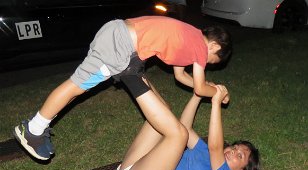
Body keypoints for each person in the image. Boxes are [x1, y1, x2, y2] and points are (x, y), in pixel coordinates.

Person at [13, 15, 232, 160]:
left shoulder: (189, 36)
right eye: (212, 61)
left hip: (119, 36)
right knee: (75, 86)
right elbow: (200, 89)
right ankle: (33, 129)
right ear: (214, 46)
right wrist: (220, 93)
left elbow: (181, 76)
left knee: (79, 87)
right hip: (121, 46)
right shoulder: (199, 48)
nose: (206, 64)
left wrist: (207, 86)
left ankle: (38, 126)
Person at [117, 84, 260, 170]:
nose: (233, 152)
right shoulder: (204, 150)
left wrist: (216, 103)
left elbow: (215, 147)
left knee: (178, 135)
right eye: (234, 148)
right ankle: (133, 71)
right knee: (163, 110)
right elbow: (185, 126)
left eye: (239, 156)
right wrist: (197, 95)